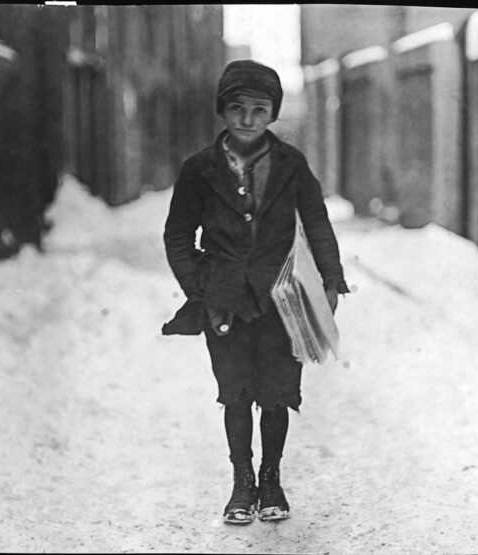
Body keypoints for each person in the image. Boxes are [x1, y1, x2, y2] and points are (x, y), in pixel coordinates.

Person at [162, 60, 349, 524]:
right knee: (236, 393)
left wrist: (330, 282)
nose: (248, 118)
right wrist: (199, 286)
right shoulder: (199, 170)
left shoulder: (291, 165)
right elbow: (178, 236)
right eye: (237, 108)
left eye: (260, 109)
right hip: (223, 299)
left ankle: (271, 480)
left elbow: (319, 225)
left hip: (282, 299)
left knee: (278, 392)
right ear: (223, 111)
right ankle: (241, 484)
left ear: (273, 113)